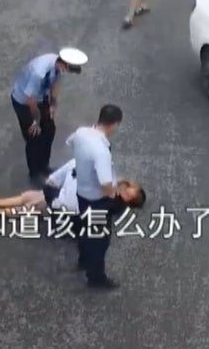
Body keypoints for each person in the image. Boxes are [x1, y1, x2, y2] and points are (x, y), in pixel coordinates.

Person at [0, 159, 146, 227]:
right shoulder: (115, 191)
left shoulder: (113, 202)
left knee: (27, 206)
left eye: (129, 194)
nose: (126, 191)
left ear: (129, 199)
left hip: (62, 202)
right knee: (27, 198)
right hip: (61, 195)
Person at [11, 48, 88, 184]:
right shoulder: (39, 73)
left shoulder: (57, 66)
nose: (66, 72)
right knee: (34, 136)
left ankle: (44, 166)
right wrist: (35, 120)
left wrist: (53, 103)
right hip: (24, 101)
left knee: (49, 130)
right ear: (63, 63)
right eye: (67, 69)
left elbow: (55, 83)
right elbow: (30, 100)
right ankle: (35, 173)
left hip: (40, 97)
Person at [68, 104, 123, 290]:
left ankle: (83, 260)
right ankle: (96, 278)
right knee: (99, 241)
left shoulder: (82, 132)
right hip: (97, 201)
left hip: (81, 194)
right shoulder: (101, 151)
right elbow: (105, 184)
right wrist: (115, 193)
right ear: (114, 124)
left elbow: (71, 143)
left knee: (84, 229)